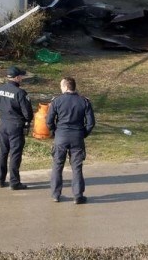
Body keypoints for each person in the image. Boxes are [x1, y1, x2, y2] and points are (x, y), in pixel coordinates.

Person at [47, 76, 95, 204]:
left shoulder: (57, 101)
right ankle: (78, 195)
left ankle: (56, 195)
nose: (60, 88)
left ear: (66, 87)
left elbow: (49, 121)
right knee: (77, 167)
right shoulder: (84, 101)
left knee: (57, 166)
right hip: (77, 137)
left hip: (60, 137)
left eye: (61, 86)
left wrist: (55, 133)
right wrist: (83, 134)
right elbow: (90, 123)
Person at [0, 65, 34, 189]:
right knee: (15, 154)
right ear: (16, 78)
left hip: (3, 124)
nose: (22, 78)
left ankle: (0, 179)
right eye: (21, 76)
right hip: (15, 126)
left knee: (2, 152)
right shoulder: (20, 93)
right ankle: (14, 182)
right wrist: (26, 121)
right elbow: (27, 113)